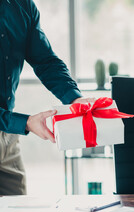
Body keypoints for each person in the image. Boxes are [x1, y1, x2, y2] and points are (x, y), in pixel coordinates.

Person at [0, 0, 94, 195]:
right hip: (11, 124)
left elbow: (46, 62)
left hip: (7, 137)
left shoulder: (23, 6)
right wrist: (26, 122)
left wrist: (74, 98)